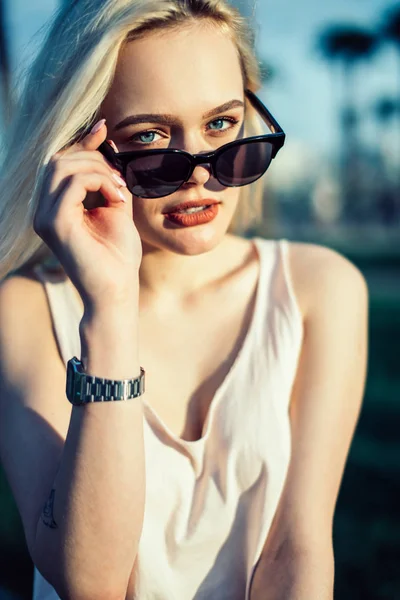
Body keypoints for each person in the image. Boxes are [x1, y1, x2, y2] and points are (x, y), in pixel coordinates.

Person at [0, 1, 368, 599]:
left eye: (221, 124)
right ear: (78, 146)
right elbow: (87, 581)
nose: (201, 173)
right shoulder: (22, 310)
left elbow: (295, 549)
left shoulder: (320, 289)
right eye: (149, 136)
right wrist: (111, 306)